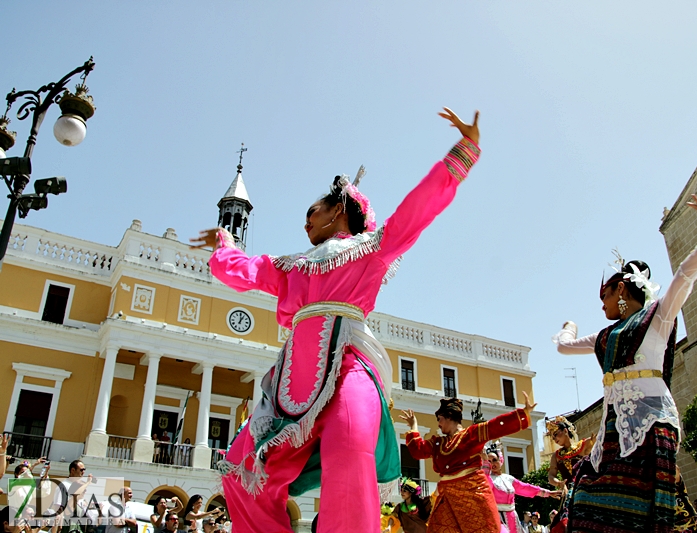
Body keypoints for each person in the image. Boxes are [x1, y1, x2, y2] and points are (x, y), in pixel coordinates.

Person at [192, 107, 481, 533]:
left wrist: (463, 153)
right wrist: (224, 243)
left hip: (348, 371)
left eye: (313, 209)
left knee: (348, 459)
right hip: (290, 384)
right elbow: (240, 270)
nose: (305, 219)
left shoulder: (371, 250)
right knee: (240, 470)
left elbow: (416, 211)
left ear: (337, 209)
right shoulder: (292, 266)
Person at [553, 194, 697, 533]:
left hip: (652, 420)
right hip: (613, 427)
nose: (602, 306)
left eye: (606, 296)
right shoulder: (605, 336)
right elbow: (565, 348)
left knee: (649, 505)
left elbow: (684, 276)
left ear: (622, 289)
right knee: (588, 499)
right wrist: (569, 327)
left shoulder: (658, 317)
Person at [400, 394, 536, 533]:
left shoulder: (472, 434)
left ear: (449, 417)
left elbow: (496, 426)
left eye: (439, 419)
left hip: (473, 494)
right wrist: (414, 426)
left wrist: (523, 413)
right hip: (447, 496)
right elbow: (418, 451)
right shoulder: (438, 443)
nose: (438, 424)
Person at [481, 441, 560, 533]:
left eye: (494, 460)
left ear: (500, 460)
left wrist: (548, 493)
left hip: (512, 518)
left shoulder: (508, 479)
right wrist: (485, 466)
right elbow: (486, 487)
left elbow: (525, 488)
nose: (492, 464)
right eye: (488, 461)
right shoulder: (486, 479)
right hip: (496, 518)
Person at [544, 417, 594, 533]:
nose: (555, 439)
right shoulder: (556, 456)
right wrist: (559, 483)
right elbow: (551, 476)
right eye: (553, 437)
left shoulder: (584, 444)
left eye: (556, 434)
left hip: (585, 486)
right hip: (568, 490)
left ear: (566, 430)